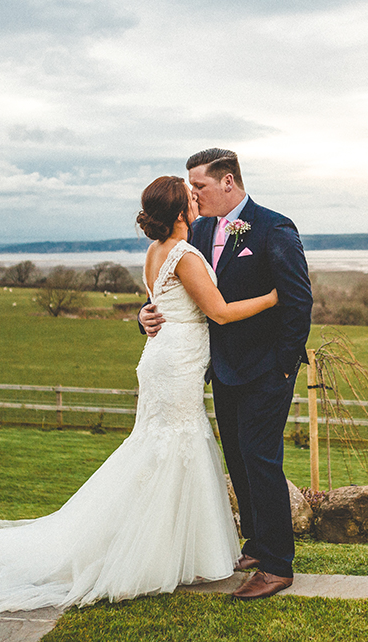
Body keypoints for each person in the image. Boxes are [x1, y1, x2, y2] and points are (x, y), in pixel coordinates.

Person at [0, 176, 278, 612]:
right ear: (181, 213)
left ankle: (172, 550)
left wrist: (146, 315)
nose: (197, 201)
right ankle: (156, 554)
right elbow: (217, 311)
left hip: (162, 358)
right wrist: (272, 298)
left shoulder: (155, 252)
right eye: (191, 197)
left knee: (161, 448)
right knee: (177, 447)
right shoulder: (187, 255)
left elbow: (161, 304)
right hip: (175, 363)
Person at [140, 148, 312, 601]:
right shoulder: (194, 230)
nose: (192, 195)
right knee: (237, 457)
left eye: (198, 186)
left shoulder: (275, 228)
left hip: (266, 370)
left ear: (228, 183)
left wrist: (284, 366)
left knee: (261, 458)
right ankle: (256, 543)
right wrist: (147, 315)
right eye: (189, 188)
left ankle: (277, 565)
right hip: (219, 369)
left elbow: (297, 301)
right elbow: (176, 293)